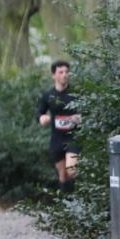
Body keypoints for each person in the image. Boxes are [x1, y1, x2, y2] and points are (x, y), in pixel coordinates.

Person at [37, 60, 81, 192]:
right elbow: (39, 112)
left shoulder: (76, 93)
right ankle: (66, 205)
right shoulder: (48, 95)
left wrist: (80, 118)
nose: (64, 75)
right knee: (63, 176)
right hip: (56, 139)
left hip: (73, 137)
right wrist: (42, 118)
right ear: (53, 75)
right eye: (61, 72)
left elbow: (88, 112)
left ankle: (78, 204)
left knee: (72, 170)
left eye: (67, 72)